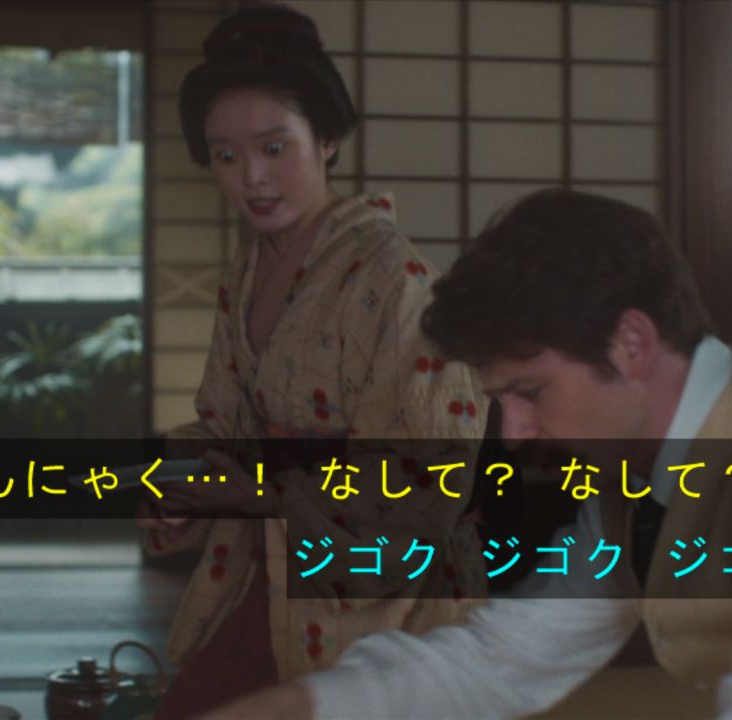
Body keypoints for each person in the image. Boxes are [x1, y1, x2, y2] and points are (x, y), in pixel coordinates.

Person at [206, 189, 732, 719]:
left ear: (630, 343)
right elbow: (504, 660)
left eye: (529, 390)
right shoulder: (638, 484)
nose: (513, 433)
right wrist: (303, 706)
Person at [138, 6, 489, 717]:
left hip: (381, 596)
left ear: (326, 140)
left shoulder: (393, 276)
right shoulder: (246, 272)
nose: (252, 178)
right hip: (269, 569)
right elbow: (224, 424)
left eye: (275, 148)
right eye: (226, 156)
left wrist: (263, 490)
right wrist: (180, 492)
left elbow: (429, 466)